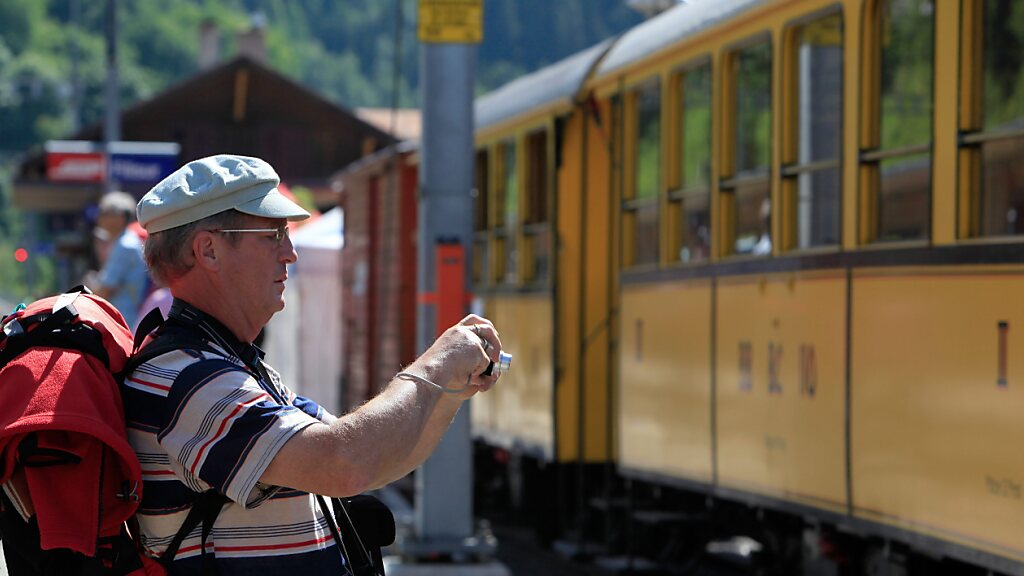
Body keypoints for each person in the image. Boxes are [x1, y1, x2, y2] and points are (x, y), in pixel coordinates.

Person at [125, 154, 501, 575]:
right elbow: (344, 463)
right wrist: (436, 365)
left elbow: (379, 459)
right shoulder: (187, 379)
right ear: (208, 249)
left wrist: (451, 386)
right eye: (272, 234)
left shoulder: (227, 363)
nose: (290, 253)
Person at [89, 190, 149, 328]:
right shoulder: (125, 241)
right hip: (126, 319)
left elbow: (104, 290)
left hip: (124, 321)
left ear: (120, 217)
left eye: (104, 213)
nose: (99, 218)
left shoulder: (124, 246)